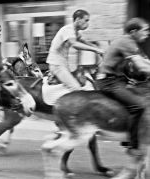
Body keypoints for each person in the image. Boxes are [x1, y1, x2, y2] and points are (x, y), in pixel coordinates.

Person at [95, 18, 150, 152]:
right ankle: (132, 144)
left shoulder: (130, 42)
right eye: (145, 30)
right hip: (108, 82)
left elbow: (145, 62)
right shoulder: (126, 42)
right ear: (133, 31)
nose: (147, 33)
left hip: (117, 80)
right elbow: (142, 67)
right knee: (139, 106)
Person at [47, 9, 105, 91]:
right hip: (57, 64)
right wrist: (96, 50)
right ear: (78, 19)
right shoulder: (68, 29)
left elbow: (84, 42)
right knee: (76, 88)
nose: (87, 24)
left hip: (63, 64)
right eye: (86, 20)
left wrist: (99, 49)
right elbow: (75, 44)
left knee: (83, 82)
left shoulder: (75, 32)